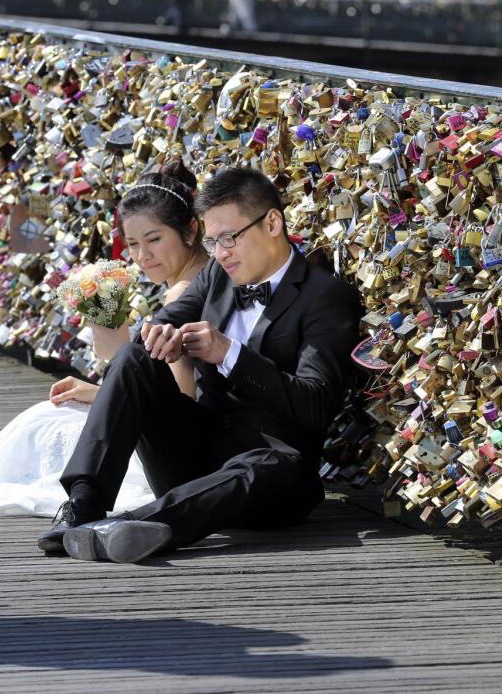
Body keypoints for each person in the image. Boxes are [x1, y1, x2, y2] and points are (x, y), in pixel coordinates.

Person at [38, 167, 362, 564]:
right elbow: (168, 317)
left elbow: (317, 405)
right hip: (194, 456)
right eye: (212, 243)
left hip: (271, 476)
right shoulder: (216, 274)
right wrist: (158, 332)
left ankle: (129, 527)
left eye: (229, 238)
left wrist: (229, 353)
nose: (221, 252)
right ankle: (84, 506)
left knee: (270, 464)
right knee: (134, 356)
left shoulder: (326, 297)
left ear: (273, 223)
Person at [0, 160, 209, 517]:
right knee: (50, 416)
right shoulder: (197, 277)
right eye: (132, 244)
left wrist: (102, 393)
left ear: (190, 230)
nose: (143, 256)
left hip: (179, 441)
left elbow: (181, 397)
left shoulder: (183, 293)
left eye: (154, 240)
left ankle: (83, 497)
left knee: (44, 422)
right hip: (175, 421)